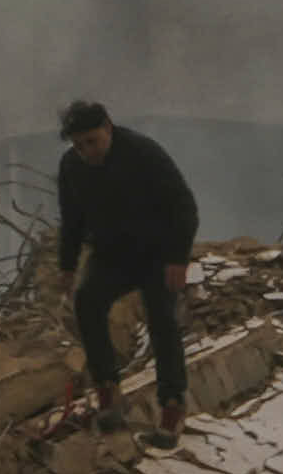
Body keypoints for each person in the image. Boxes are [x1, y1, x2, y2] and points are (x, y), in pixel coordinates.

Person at [51, 95, 200, 427]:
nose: (87, 151)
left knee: (162, 319)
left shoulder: (143, 153)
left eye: (92, 141)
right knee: (87, 303)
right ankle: (108, 391)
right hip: (111, 254)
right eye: (79, 145)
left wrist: (177, 259)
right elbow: (72, 220)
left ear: (108, 128)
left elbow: (184, 207)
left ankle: (172, 405)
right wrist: (67, 266)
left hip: (157, 253)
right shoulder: (71, 167)